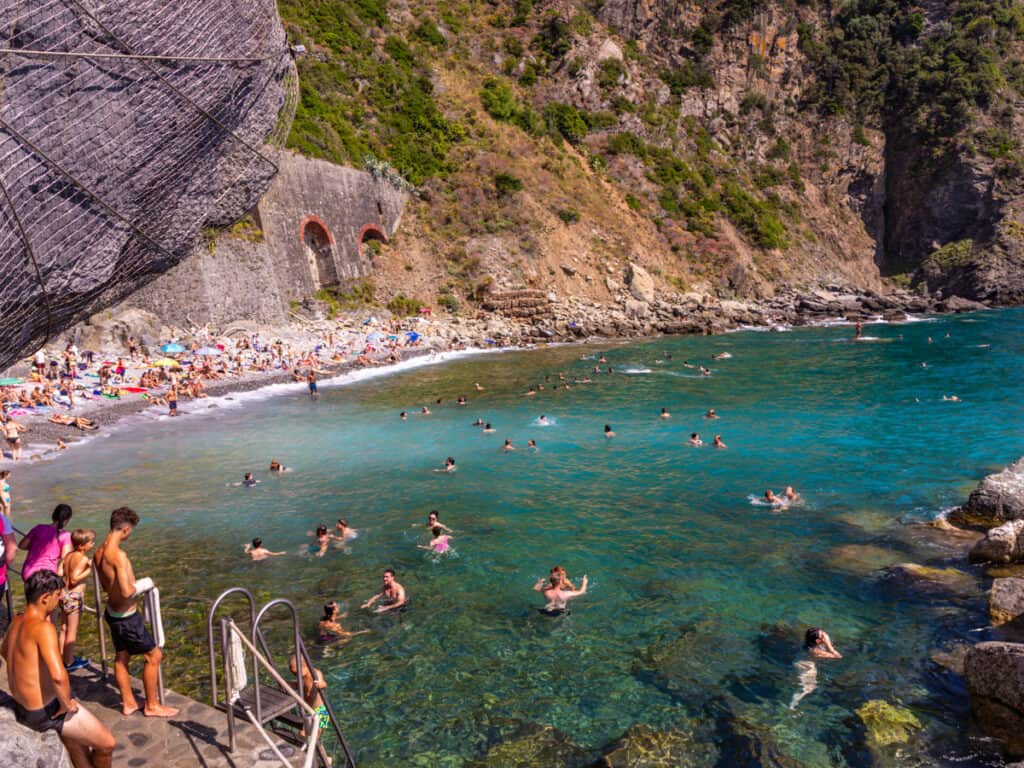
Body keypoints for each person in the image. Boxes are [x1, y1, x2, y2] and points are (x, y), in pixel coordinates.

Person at [1, 570, 117, 767]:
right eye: (58, 594)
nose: (61, 598)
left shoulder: (17, 621)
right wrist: (65, 704)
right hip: (47, 710)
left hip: (25, 707)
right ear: (45, 598)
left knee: (75, 743)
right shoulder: (43, 628)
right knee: (107, 744)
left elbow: (4, 652)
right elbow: (58, 676)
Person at [94, 507, 178, 717]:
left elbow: (107, 587)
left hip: (112, 614)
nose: (130, 534)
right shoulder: (119, 556)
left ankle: (129, 702)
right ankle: (152, 705)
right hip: (127, 618)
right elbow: (126, 591)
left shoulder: (98, 553)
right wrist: (145, 583)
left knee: (122, 657)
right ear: (124, 530)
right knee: (154, 656)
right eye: (130, 531)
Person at [60, 529, 95, 671]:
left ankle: (60, 657)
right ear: (81, 546)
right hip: (74, 597)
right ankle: (69, 662)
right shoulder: (83, 559)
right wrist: (90, 569)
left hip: (64, 595)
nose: (93, 544)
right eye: (91, 542)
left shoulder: (68, 555)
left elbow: (60, 573)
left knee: (63, 628)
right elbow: (74, 578)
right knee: (72, 631)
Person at [19, 503, 74, 583]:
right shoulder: (65, 535)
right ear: (67, 520)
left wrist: (36, 546)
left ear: (53, 515)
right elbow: (66, 558)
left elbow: (22, 545)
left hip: (28, 572)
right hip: (48, 576)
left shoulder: (38, 528)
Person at [288, 653, 329, 737]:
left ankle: (311, 748)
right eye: (294, 674)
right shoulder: (301, 676)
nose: (296, 676)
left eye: (296, 673)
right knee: (309, 736)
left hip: (320, 711)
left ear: (305, 665)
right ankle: (315, 748)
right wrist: (289, 683)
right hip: (309, 711)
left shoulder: (315, 673)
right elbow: (300, 685)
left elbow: (324, 684)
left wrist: (321, 684)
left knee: (308, 735)